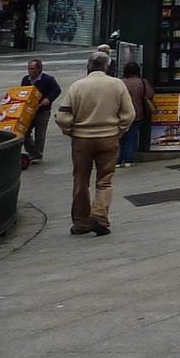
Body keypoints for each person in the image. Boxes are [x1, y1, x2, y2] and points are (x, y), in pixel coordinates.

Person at [54, 54, 133, 236]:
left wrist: (71, 131)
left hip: (82, 140)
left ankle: (80, 223)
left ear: (88, 66)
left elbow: (63, 116)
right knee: (105, 180)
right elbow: (129, 114)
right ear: (107, 67)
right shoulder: (117, 85)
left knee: (81, 181)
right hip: (108, 137)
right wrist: (119, 131)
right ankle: (99, 216)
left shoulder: (77, 86)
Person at [19, 58, 61, 164]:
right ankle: (32, 151)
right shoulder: (26, 80)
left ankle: (38, 154)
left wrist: (48, 99)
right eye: (29, 69)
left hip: (43, 111)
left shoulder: (48, 79)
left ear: (39, 69)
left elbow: (57, 90)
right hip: (29, 110)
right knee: (25, 132)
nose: (30, 71)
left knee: (40, 133)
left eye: (32, 69)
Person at [117, 62, 154, 168]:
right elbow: (149, 94)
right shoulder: (142, 82)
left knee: (120, 137)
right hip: (137, 113)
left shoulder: (120, 82)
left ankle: (118, 161)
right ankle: (129, 160)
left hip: (121, 114)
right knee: (132, 137)